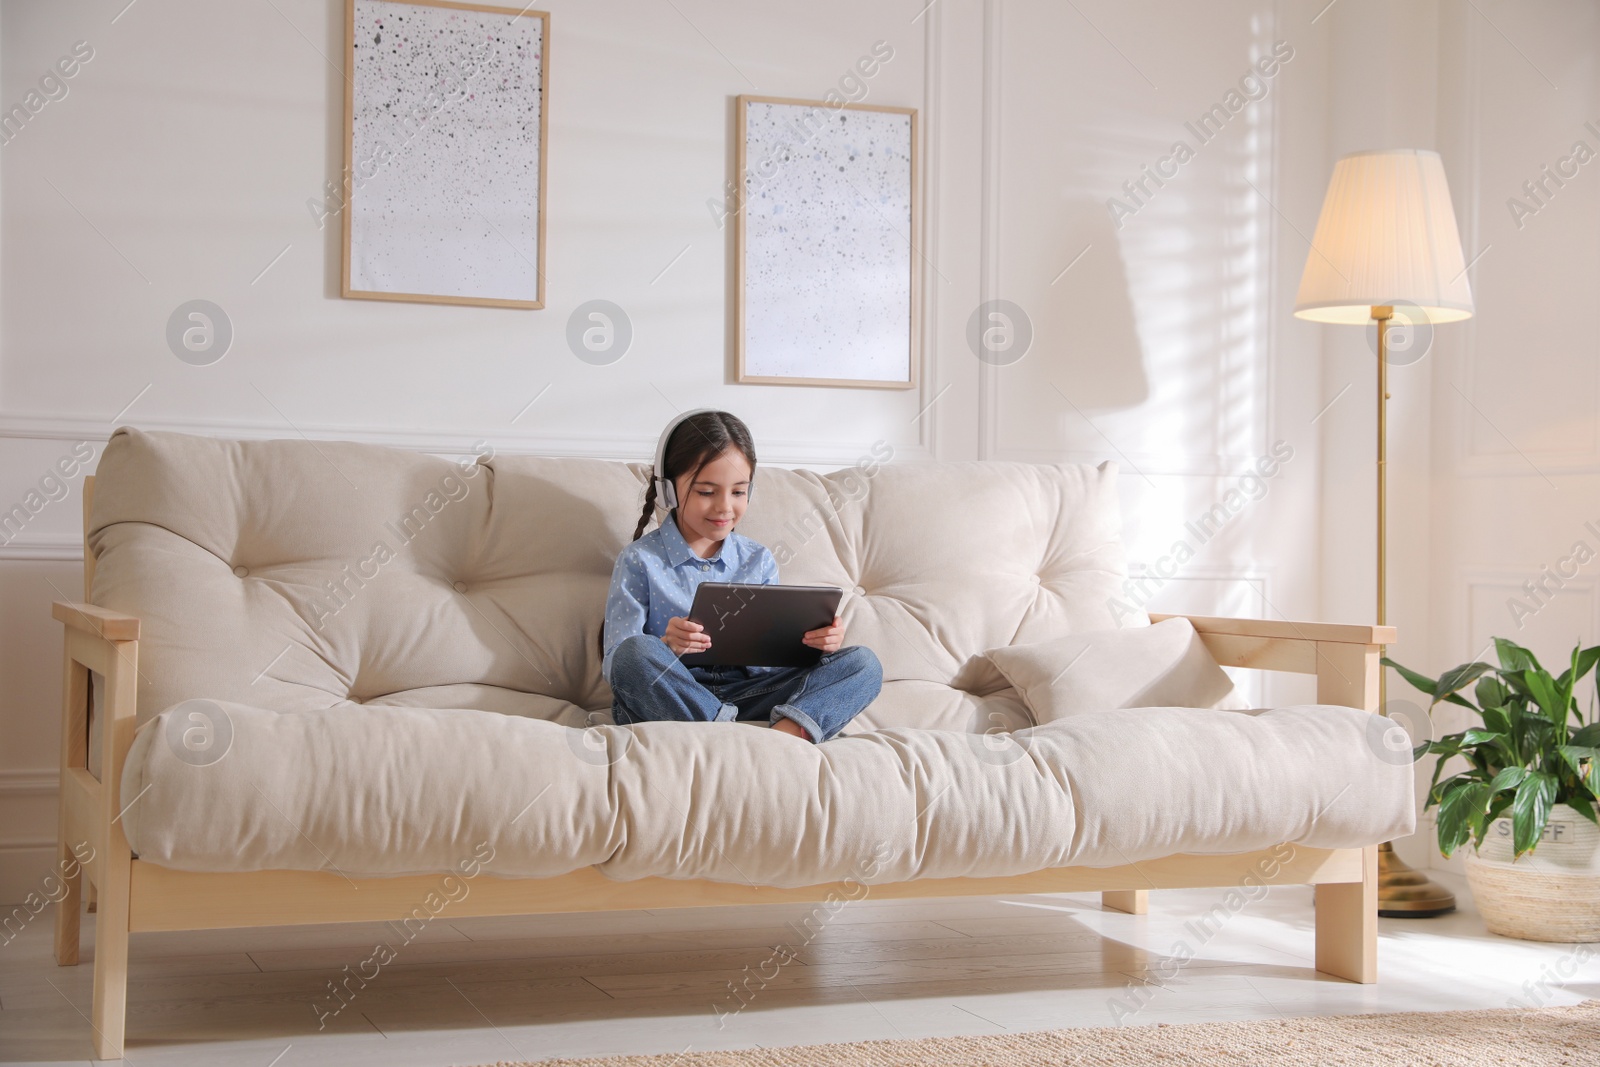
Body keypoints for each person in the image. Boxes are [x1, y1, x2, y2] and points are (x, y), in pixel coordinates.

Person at [602, 409, 881, 743]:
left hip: (751, 694)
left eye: (738, 492)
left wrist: (814, 645)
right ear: (668, 491)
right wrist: (666, 646)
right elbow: (617, 664)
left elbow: (772, 667)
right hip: (675, 694)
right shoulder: (639, 560)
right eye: (706, 492)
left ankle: (783, 736)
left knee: (864, 664)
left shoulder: (758, 559)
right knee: (634, 656)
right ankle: (732, 735)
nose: (725, 507)